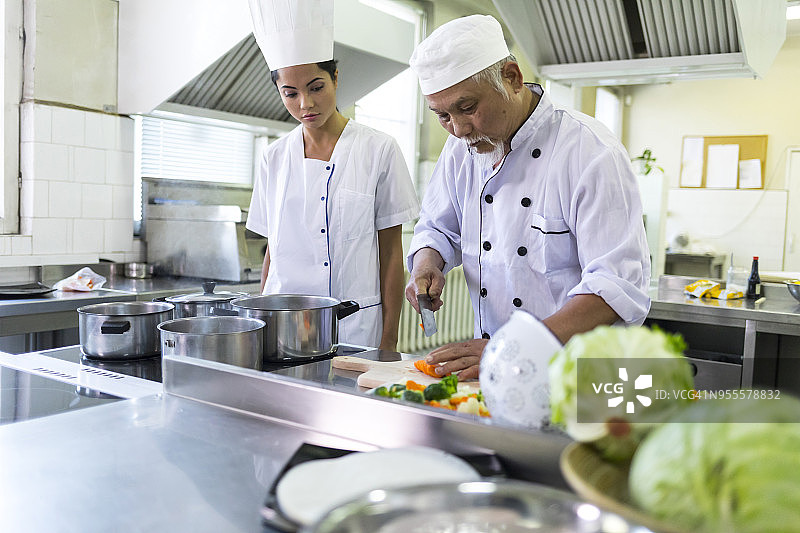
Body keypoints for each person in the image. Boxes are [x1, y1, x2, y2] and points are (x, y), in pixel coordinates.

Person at [405, 14, 650, 379]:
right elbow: (438, 227)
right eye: (442, 116)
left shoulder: (590, 152)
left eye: (468, 108)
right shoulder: (461, 149)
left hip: (577, 374)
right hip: (494, 371)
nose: (457, 129)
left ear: (512, 78)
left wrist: (516, 346)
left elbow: (614, 286)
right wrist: (427, 264)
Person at [246, 0, 420, 350]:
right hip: (282, 327)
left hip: (354, 327)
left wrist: (389, 340)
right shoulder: (273, 158)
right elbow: (271, 255)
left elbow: (390, 254)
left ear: (335, 78)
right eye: (290, 93)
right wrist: (258, 321)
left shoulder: (378, 150)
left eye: (316, 87)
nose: (305, 105)